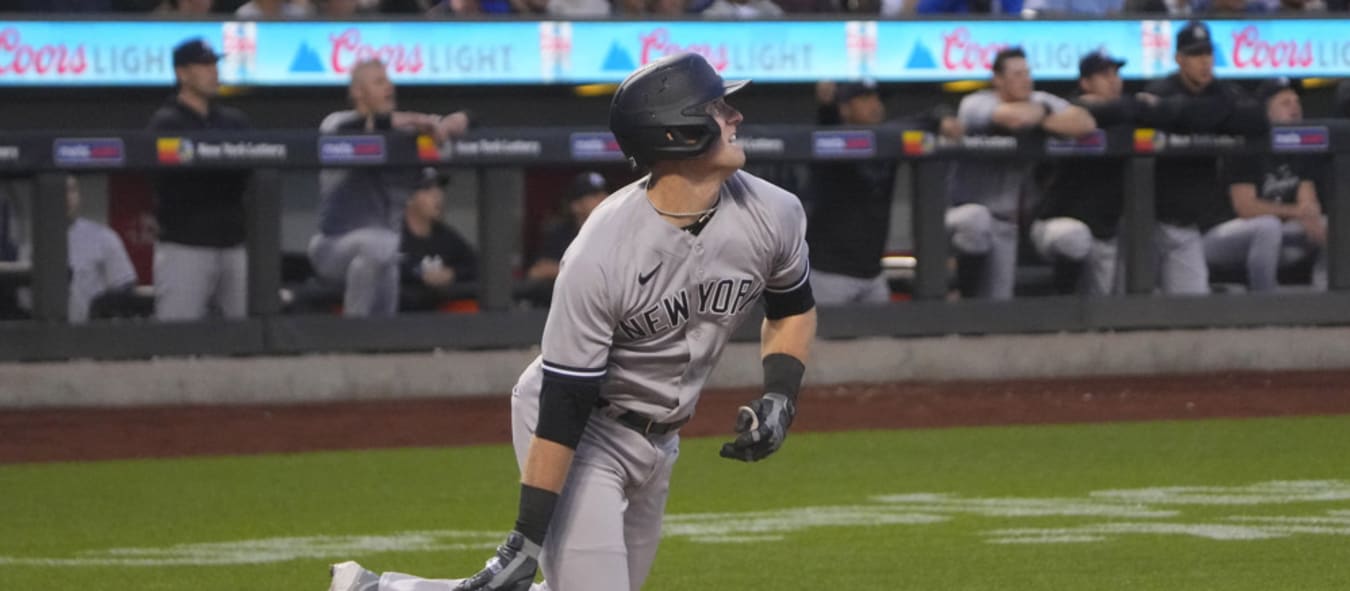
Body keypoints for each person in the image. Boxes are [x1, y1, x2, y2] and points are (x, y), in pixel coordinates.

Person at [327, 51, 817, 591]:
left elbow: (792, 308)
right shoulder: (601, 250)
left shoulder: (775, 212)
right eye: (718, 106)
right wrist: (524, 540)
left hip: (662, 440)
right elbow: (564, 403)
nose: (735, 116)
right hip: (584, 429)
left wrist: (780, 395)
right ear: (676, 132)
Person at [309, 59, 470, 318]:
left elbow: (461, 125)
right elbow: (375, 124)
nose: (389, 87)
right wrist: (419, 121)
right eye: (378, 82)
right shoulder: (338, 124)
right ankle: (354, 333)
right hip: (332, 247)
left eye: (388, 80)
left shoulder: (408, 137)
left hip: (384, 254)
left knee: (386, 256)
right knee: (379, 243)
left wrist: (449, 124)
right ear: (357, 92)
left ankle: (378, 343)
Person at [946, 47, 1096, 300]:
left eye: (1027, 73)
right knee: (977, 219)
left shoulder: (1039, 100)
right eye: (1017, 74)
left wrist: (1041, 116)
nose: (1025, 79)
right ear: (998, 80)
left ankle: (1062, 308)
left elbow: (1085, 122)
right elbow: (1013, 118)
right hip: (963, 214)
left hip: (1014, 223)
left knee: (999, 305)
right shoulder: (975, 102)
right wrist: (1047, 116)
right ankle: (962, 293)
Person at [805, 78, 961, 305]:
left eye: (876, 98)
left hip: (873, 277)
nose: (875, 104)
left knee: (882, 339)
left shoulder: (890, 136)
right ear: (845, 107)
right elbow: (827, 125)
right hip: (829, 276)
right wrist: (827, 105)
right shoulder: (831, 139)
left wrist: (945, 118)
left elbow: (930, 116)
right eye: (865, 99)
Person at [1144, 20, 1267, 294]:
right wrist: (1218, 115)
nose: (1205, 61)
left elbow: (1257, 118)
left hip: (1184, 227)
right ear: (1179, 59)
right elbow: (1154, 111)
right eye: (1196, 55)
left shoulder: (1221, 90)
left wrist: (1188, 114)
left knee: (1193, 305)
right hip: (1144, 223)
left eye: (1208, 54)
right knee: (1128, 301)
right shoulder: (1161, 90)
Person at [147, 38, 252, 321]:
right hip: (185, 245)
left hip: (233, 243)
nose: (213, 71)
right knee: (177, 339)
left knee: (242, 340)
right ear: (182, 73)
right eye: (204, 65)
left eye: (214, 63)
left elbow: (247, 176)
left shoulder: (234, 121)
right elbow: (176, 183)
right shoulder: (166, 122)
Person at [1201, 78, 1326, 291]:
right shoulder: (1247, 144)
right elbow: (1246, 207)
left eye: (1297, 102)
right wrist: (1298, 212)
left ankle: (1324, 293)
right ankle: (1265, 300)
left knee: (1332, 225)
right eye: (1285, 103)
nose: (1295, 108)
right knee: (1268, 225)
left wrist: (1309, 213)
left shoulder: (1300, 146)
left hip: (1277, 234)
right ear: (1266, 111)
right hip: (1222, 238)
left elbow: (1307, 200)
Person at [399, 168, 478, 312]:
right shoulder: (393, 234)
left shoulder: (445, 236)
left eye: (439, 188)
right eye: (427, 189)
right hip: (395, 322)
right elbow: (389, 266)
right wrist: (419, 274)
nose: (438, 195)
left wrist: (451, 274)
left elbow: (476, 265)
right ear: (408, 197)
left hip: (439, 325)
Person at [61, 176, 139, 323]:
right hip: (45, 334)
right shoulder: (34, 242)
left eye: (71, 190)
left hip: (92, 335)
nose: (67, 198)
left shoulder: (102, 236)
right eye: (61, 191)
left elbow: (125, 286)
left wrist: (102, 310)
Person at [525, 171, 609, 290]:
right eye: (594, 195)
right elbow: (537, 272)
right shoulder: (560, 235)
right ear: (575, 205)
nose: (603, 198)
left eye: (604, 193)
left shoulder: (615, 231)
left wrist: (563, 270)